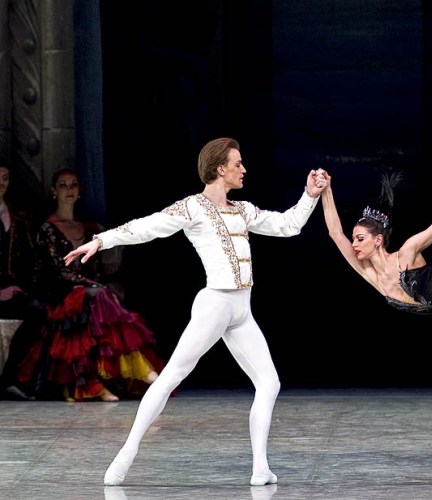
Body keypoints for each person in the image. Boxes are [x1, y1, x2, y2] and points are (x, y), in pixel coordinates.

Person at [64, 138, 327, 487]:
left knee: (269, 382)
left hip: (241, 311)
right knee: (172, 374)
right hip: (215, 304)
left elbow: (287, 225)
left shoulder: (242, 210)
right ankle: (124, 456)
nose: (244, 169)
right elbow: (147, 227)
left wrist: (310, 194)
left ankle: (260, 467)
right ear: (220, 169)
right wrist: (102, 240)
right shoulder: (194, 207)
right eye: (238, 163)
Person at [317, 64, 432, 482]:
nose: (354, 243)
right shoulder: (369, 274)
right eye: (355, 239)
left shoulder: (405, 253)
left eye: (360, 238)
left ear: (378, 241)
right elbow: (332, 232)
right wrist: (325, 191)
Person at [16, 168, 162, 401]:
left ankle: (121, 374)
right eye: (63, 185)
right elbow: (59, 269)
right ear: (54, 191)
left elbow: (92, 266)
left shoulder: (85, 227)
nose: (69, 189)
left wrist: (96, 284)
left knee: (100, 298)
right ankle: (121, 375)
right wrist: (92, 285)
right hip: (59, 290)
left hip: (87, 289)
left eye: (73, 184)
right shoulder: (47, 228)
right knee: (95, 296)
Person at [0, 162, 47, 401]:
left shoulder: (16, 216)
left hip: (11, 291)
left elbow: (29, 259)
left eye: (5, 178)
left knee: (39, 311)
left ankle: (9, 379)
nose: (1, 184)